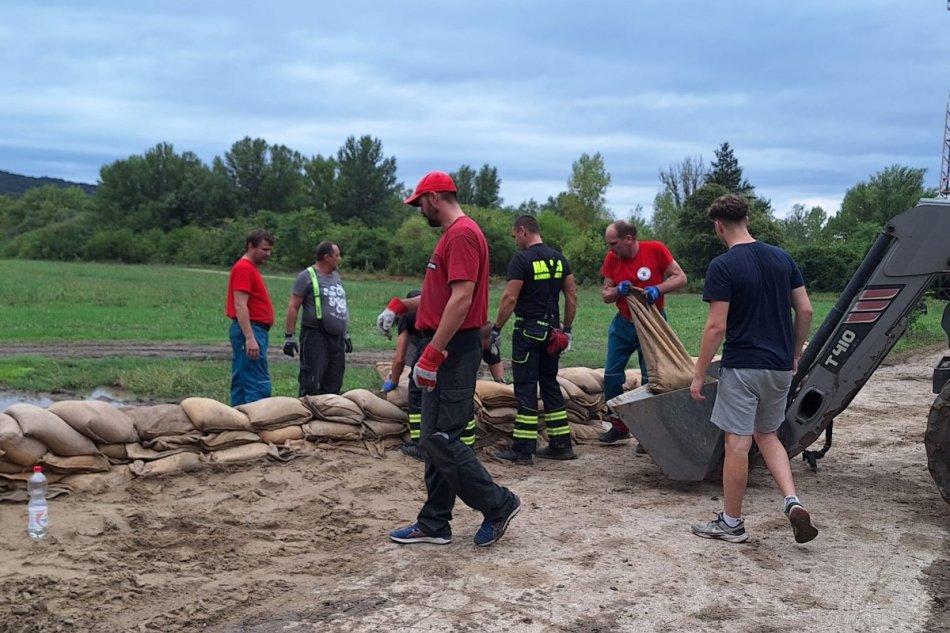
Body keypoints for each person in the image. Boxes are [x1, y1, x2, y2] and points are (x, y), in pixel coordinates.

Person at [377, 171, 521, 548]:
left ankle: (498, 503)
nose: (419, 209)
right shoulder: (454, 236)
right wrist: (399, 307)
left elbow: (461, 300)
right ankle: (435, 522)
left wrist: (433, 354)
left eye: (420, 202)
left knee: (443, 438)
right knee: (433, 438)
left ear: (435, 197)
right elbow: (439, 298)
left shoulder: (460, 235)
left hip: (454, 349)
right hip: (447, 345)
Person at [689, 194, 817, 545]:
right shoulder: (782, 258)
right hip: (778, 367)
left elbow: (716, 326)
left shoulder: (723, 266)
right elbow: (805, 311)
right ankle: (792, 500)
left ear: (718, 226)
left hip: (743, 366)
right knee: (768, 435)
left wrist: (699, 374)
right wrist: (793, 355)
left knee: (737, 443)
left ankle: (731, 523)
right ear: (747, 219)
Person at [489, 215, 577, 464]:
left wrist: (496, 328)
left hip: (528, 332)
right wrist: (567, 329)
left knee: (526, 387)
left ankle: (522, 450)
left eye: (515, 235)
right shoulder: (559, 259)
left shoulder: (522, 260)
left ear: (523, 230)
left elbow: (509, 298)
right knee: (549, 384)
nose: (515, 239)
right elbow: (571, 296)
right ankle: (561, 444)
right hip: (553, 333)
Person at [383, 291, 506, 462]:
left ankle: (422, 445)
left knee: (420, 392)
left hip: (437, 341)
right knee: (461, 397)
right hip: (451, 342)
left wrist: (393, 381)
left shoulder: (483, 332)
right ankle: (464, 447)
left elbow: (399, 357)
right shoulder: (473, 328)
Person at [599, 220, 687, 443]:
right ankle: (619, 426)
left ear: (628, 239)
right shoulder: (612, 258)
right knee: (610, 376)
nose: (610, 248)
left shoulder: (655, 250)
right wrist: (617, 291)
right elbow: (605, 294)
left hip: (652, 324)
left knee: (653, 378)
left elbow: (680, 277)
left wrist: (659, 289)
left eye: (613, 243)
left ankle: (652, 436)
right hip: (624, 323)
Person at [283, 241, 351, 396]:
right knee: (311, 381)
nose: (339, 259)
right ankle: (306, 415)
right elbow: (293, 306)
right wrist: (290, 336)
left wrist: (345, 332)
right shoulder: (306, 276)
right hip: (315, 336)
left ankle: (327, 418)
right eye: (337, 255)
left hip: (336, 338)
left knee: (334, 381)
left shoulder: (336, 277)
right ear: (327, 257)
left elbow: (340, 304)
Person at [226, 229, 275, 406]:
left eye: (269, 250)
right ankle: (258, 421)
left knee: (242, 379)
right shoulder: (244, 269)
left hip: (251, 329)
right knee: (256, 381)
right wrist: (250, 338)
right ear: (250, 246)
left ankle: (238, 419)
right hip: (251, 329)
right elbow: (240, 305)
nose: (268, 254)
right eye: (264, 249)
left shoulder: (249, 268)